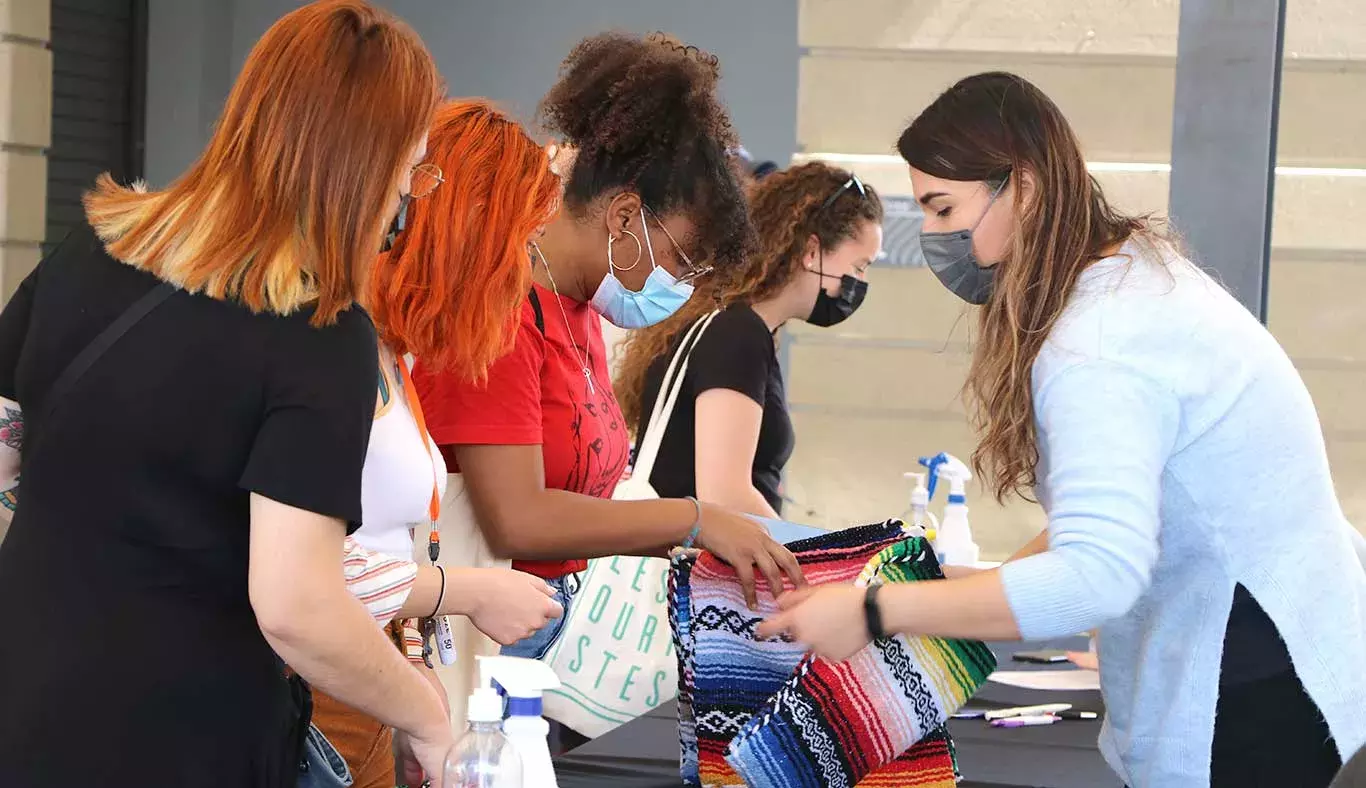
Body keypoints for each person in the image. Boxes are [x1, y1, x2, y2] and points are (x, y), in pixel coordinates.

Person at [759, 71, 1366, 788]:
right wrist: (943, 587)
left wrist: (877, 609)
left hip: (1252, 689)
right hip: (1301, 654)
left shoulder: (1098, 343)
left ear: (1023, 185)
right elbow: (1111, 522)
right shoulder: (1137, 275)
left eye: (944, 207)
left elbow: (1097, 575)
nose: (933, 237)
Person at [0, 2, 455, 785]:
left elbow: (7, 447)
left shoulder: (97, 248)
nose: (408, 199)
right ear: (362, 164)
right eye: (411, 169)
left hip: (25, 701)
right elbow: (296, 605)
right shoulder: (317, 332)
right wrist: (424, 713)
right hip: (178, 737)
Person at [411, 32, 805, 670]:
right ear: (624, 217)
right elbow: (517, 518)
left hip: (530, 626)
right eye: (681, 259)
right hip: (468, 629)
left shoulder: (580, 308)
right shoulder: (501, 308)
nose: (680, 287)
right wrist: (693, 520)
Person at [309, 99, 569, 788]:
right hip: (321, 694)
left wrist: (412, 658)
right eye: (518, 241)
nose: (522, 268)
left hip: (369, 677)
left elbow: (385, 537)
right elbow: (303, 569)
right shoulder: (332, 348)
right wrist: (467, 590)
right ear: (467, 234)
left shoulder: (388, 351)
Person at [615, 161, 883, 518]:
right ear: (811, 251)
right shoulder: (739, 335)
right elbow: (725, 495)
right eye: (859, 266)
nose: (859, 282)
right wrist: (811, 558)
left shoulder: (730, 324)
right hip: (699, 567)